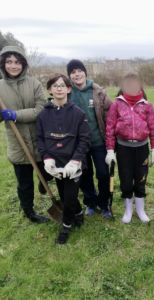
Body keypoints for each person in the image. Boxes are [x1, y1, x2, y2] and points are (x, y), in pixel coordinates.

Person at [36, 74, 90, 244]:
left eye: (62, 85)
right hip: (55, 164)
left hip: (73, 164)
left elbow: (84, 140)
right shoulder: (43, 115)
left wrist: (75, 161)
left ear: (68, 89)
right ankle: (79, 213)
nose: (58, 88)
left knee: (69, 197)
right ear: (49, 90)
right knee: (65, 195)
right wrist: (47, 159)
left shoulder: (78, 114)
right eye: (55, 85)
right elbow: (40, 139)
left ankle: (66, 226)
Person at [0, 45, 51, 224]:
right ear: (3, 64)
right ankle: (29, 212)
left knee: (47, 173)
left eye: (17, 62)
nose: (13, 66)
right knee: (24, 183)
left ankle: (43, 183)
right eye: (9, 62)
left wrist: (15, 115)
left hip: (39, 139)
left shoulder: (34, 83)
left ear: (23, 64)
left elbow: (41, 109)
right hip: (18, 142)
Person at [105, 72, 154, 223]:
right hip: (123, 150)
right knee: (126, 179)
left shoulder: (147, 105)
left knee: (141, 178)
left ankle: (140, 210)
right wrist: (110, 151)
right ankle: (128, 210)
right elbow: (109, 128)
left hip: (142, 149)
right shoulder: (116, 104)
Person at [66, 59, 113, 218]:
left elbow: (110, 117)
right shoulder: (67, 93)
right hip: (79, 145)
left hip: (99, 142)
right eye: (73, 72)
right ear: (70, 76)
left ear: (85, 72)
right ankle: (91, 202)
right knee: (85, 175)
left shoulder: (98, 91)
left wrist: (111, 142)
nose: (77, 74)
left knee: (103, 174)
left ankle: (104, 203)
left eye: (79, 70)